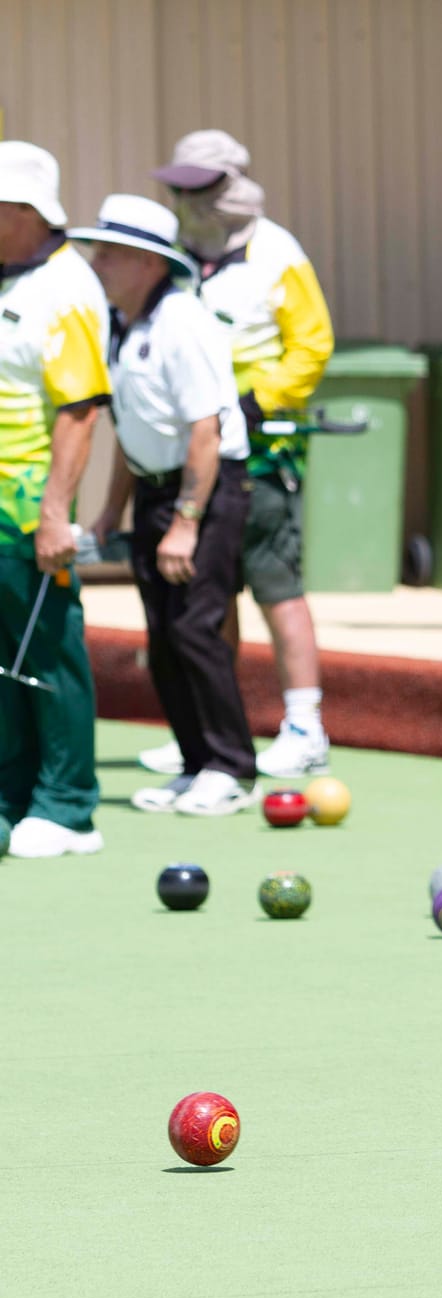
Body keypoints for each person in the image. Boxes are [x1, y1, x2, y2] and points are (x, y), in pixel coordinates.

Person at [140, 130, 335, 779]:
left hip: (261, 446)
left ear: (228, 187)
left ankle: (304, 724)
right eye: (177, 186)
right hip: (192, 445)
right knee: (206, 590)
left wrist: (257, 400)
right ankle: (208, 724)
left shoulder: (276, 252)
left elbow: (312, 345)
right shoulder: (171, 251)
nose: (181, 198)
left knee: (276, 582)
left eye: (196, 187)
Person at [75, 195, 257, 815]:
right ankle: (195, 762)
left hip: (205, 490)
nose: (98, 262)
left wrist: (185, 523)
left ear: (150, 263)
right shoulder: (123, 324)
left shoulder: (183, 321)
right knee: (163, 634)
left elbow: (204, 429)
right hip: (158, 489)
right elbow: (135, 433)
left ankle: (231, 767)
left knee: (195, 628)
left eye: (112, 253)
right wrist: (109, 512)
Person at [0, 142, 110, 859]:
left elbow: (80, 410)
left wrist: (54, 513)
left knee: (48, 648)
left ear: (31, 212)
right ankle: (13, 795)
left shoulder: (66, 288)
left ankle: (69, 805)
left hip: (27, 504)